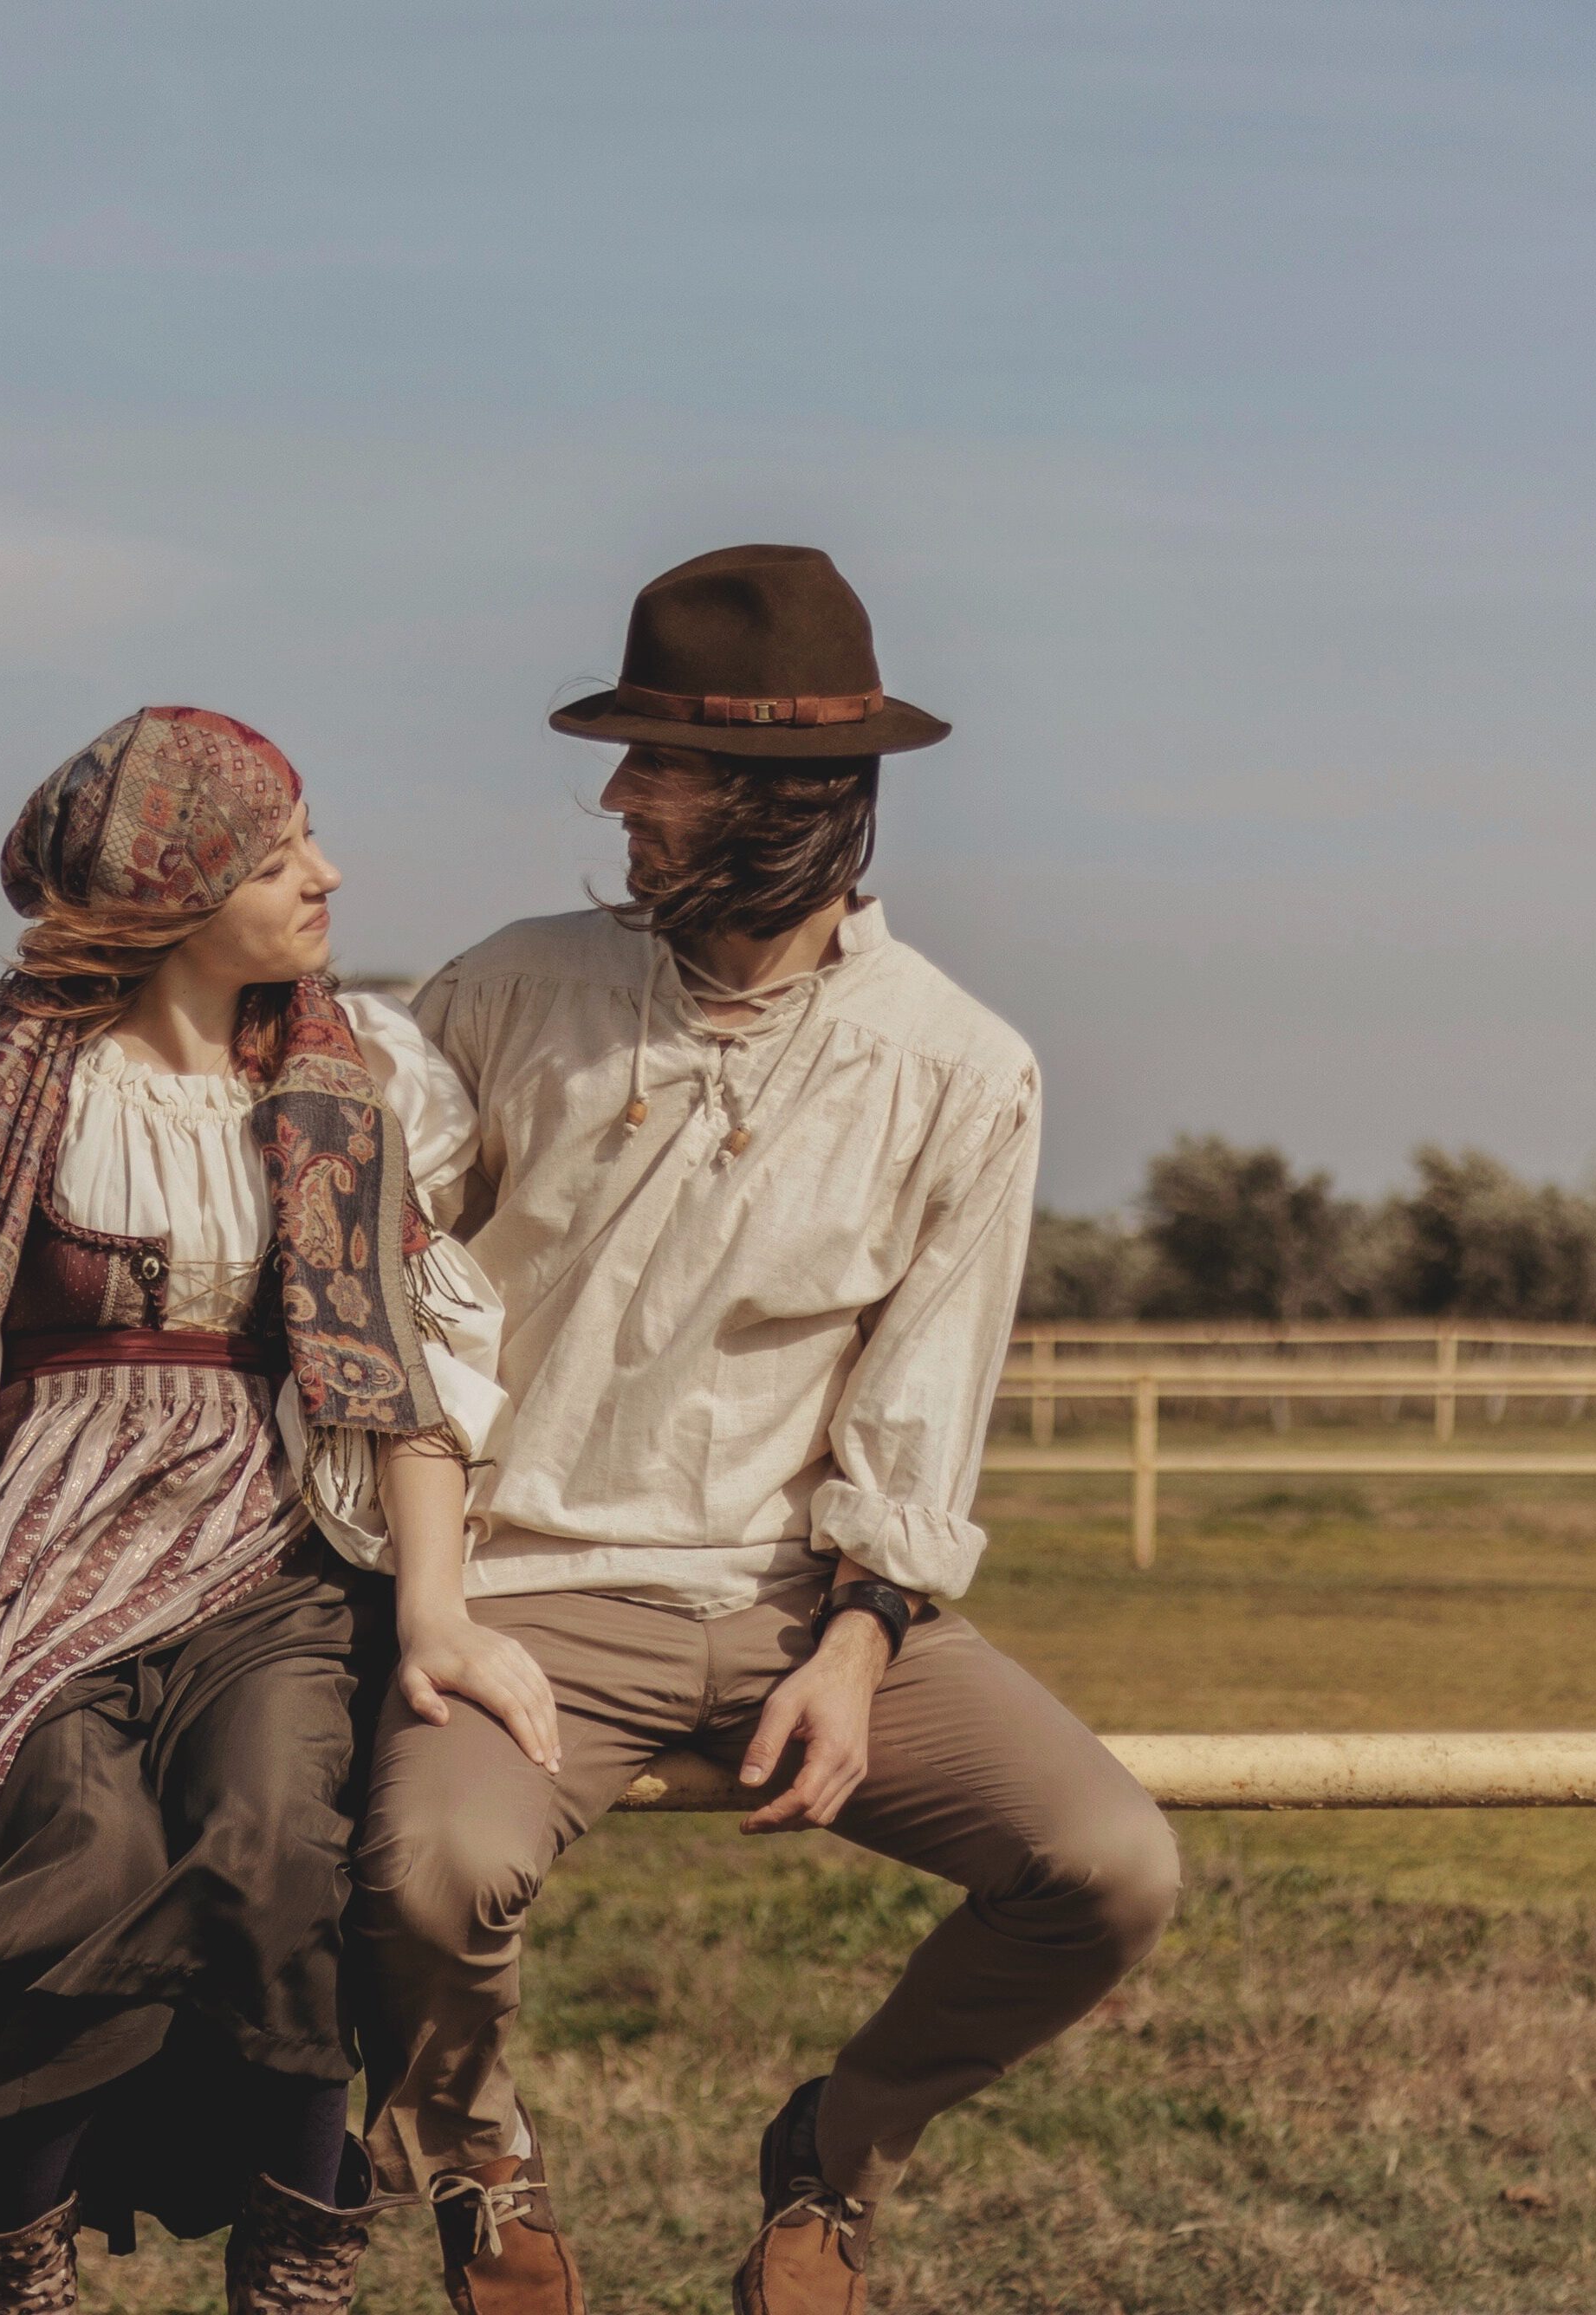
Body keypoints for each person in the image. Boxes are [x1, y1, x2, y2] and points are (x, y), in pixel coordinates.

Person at [344, 548, 1182, 2315]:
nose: (616, 798)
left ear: (784, 801)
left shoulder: (961, 1064)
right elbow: (376, 1296)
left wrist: (864, 1642)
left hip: (817, 1603)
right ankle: (479, 2157)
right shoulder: (511, 995)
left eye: (659, 761)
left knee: (1108, 1868)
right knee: (431, 1871)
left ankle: (836, 2158)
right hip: (531, 1594)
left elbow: (927, 1385)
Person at [0, 706, 554, 2315]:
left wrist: (435, 1612)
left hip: (271, 1544)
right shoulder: (16, 1082)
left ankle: (299, 2238)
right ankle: (10, 2249)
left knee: (271, 1838)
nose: (328, 876)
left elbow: (402, 1375)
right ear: (178, 890)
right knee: (82, 1846)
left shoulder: (355, 1081)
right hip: (33, 1551)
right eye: (285, 856)